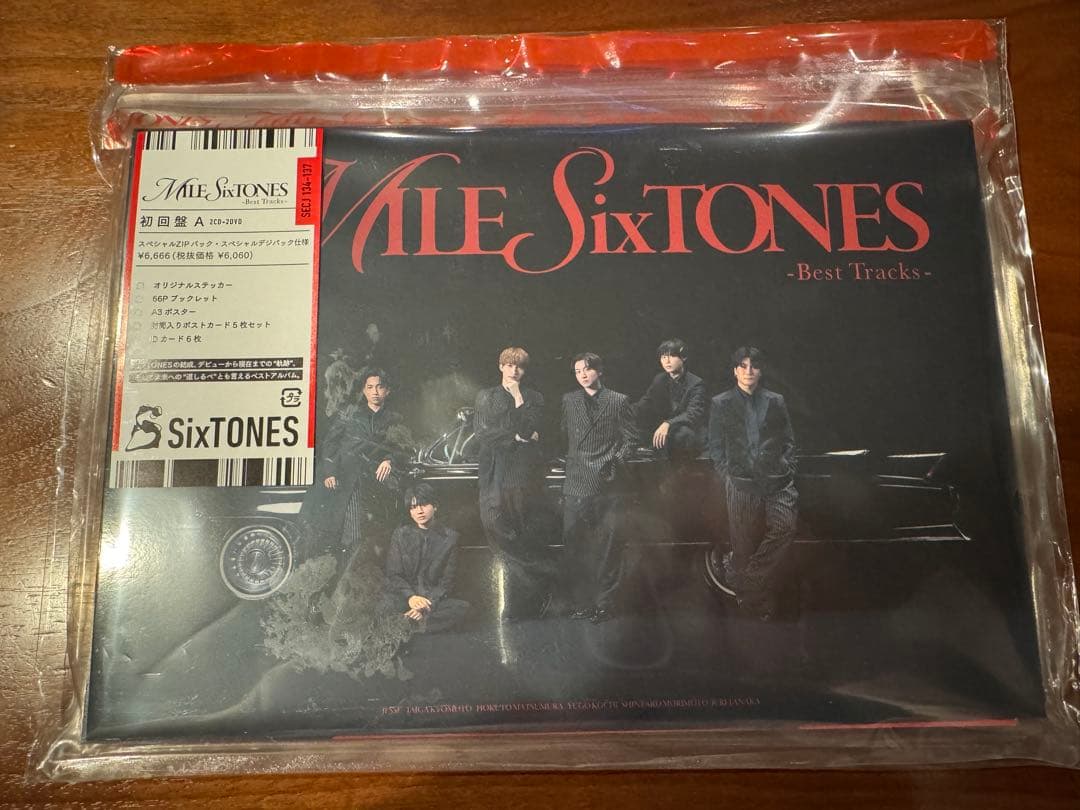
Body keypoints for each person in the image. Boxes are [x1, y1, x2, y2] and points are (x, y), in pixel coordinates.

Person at [300, 367, 412, 620]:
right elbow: (330, 444)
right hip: (349, 486)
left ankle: (360, 603)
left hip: (379, 489)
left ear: (388, 390)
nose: (375, 392)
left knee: (375, 543)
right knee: (351, 540)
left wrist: (390, 459)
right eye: (370, 387)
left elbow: (404, 447)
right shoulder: (350, 415)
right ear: (363, 390)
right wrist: (330, 472)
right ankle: (325, 600)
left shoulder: (394, 419)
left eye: (380, 387)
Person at [707, 347, 798, 620]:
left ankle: (743, 578)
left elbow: (788, 440)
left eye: (754, 366)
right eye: (743, 366)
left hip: (777, 481)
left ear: (761, 371)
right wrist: (728, 475)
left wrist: (788, 467)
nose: (749, 371)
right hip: (741, 482)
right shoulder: (720, 403)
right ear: (735, 370)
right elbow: (715, 445)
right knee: (744, 545)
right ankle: (754, 601)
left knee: (785, 527)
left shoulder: (776, 400)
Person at [473, 347, 552, 619]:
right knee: (495, 525)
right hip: (492, 472)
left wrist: (518, 398)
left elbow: (528, 429)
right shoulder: (486, 396)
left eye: (519, 366)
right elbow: (482, 433)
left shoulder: (534, 398)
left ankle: (519, 605)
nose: (514, 370)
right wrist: (515, 438)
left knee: (521, 530)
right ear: (500, 366)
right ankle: (540, 579)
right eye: (509, 365)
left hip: (520, 473)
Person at [561, 352, 634, 623]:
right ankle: (582, 604)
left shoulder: (618, 400)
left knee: (608, 547)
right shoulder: (569, 401)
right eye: (577, 371)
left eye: (588, 369)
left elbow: (630, 440)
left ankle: (605, 604)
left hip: (608, 484)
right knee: (575, 546)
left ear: (599, 371)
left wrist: (614, 462)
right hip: (576, 482)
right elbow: (562, 435)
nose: (582, 375)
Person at [383, 484, 470, 634]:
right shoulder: (400, 534)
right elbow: (393, 574)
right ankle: (416, 624)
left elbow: (447, 582)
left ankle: (409, 624)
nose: (419, 511)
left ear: (435, 506)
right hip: (406, 597)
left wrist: (426, 606)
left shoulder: (451, 538)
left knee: (463, 608)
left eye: (424, 505)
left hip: (433, 601)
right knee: (381, 605)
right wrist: (411, 597)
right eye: (413, 507)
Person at [632, 338, 707, 464]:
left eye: (672, 356)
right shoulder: (660, 379)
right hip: (664, 430)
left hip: (687, 432)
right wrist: (623, 411)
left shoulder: (696, 383)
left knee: (682, 435)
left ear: (683, 357)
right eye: (663, 357)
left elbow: (693, 413)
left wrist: (668, 423)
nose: (667, 361)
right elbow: (645, 402)